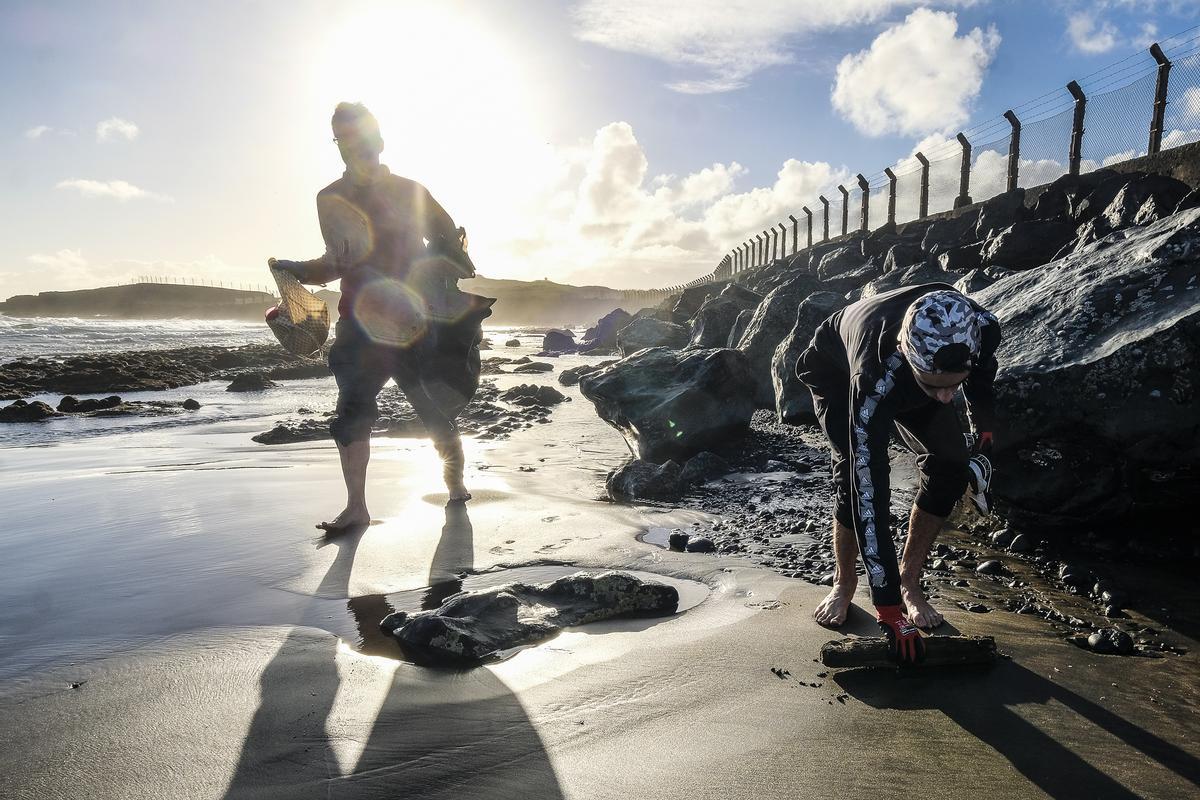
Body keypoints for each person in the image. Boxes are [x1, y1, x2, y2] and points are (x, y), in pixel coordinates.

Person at [271, 102, 491, 531]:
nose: (351, 145)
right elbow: (337, 262)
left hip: (414, 323)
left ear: (380, 140)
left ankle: (455, 487)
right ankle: (357, 507)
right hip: (357, 321)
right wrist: (299, 268)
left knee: (432, 410)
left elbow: (451, 244)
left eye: (358, 136)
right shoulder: (328, 198)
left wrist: (429, 279)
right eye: (341, 138)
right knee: (351, 410)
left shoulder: (412, 191)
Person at [796, 285, 1001, 663]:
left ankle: (911, 582)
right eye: (936, 388)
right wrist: (886, 608)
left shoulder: (982, 327)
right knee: (854, 479)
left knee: (951, 465)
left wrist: (982, 421)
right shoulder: (874, 378)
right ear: (909, 358)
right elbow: (869, 488)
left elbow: (982, 371)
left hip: (914, 368)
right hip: (837, 371)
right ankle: (844, 584)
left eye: (953, 387)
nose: (945, 398)